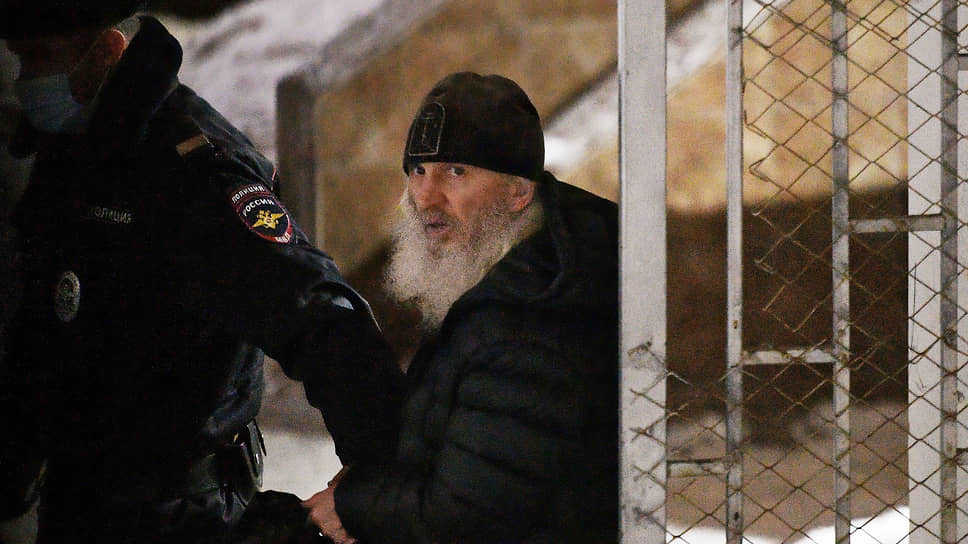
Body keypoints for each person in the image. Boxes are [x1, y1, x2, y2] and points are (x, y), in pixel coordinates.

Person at [0, 3, 404, 542]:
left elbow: (318, 314)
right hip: (81, 499)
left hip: (182, 514)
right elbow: (47, 324)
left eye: (40, 59)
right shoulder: (73, 148)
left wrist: (375, 477)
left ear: (107, 51)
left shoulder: (195, 169)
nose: (27, 82)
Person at [304, 72, 619, 544]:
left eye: (456, 172)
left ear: (518, 192)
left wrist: (352, 504)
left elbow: (466, 514)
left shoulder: (530, 322)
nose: (426, 198)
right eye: (418, 171)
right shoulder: (498, 284)